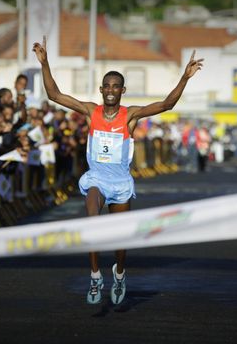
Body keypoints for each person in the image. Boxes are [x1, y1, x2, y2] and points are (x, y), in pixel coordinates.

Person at [32, 36, 203, 305]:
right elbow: (55, 95)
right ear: (101, 89)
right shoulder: (90, 111)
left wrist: (185, 78)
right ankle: (95, 276)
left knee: (120, 239)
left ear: (122, 90)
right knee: (91, 221)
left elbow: (166, 105)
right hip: (97, 179)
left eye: (116, 86)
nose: (111, 90)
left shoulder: (131, 115)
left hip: (121, 182)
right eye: (107, 86)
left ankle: (120, 273)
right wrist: (44, 64)